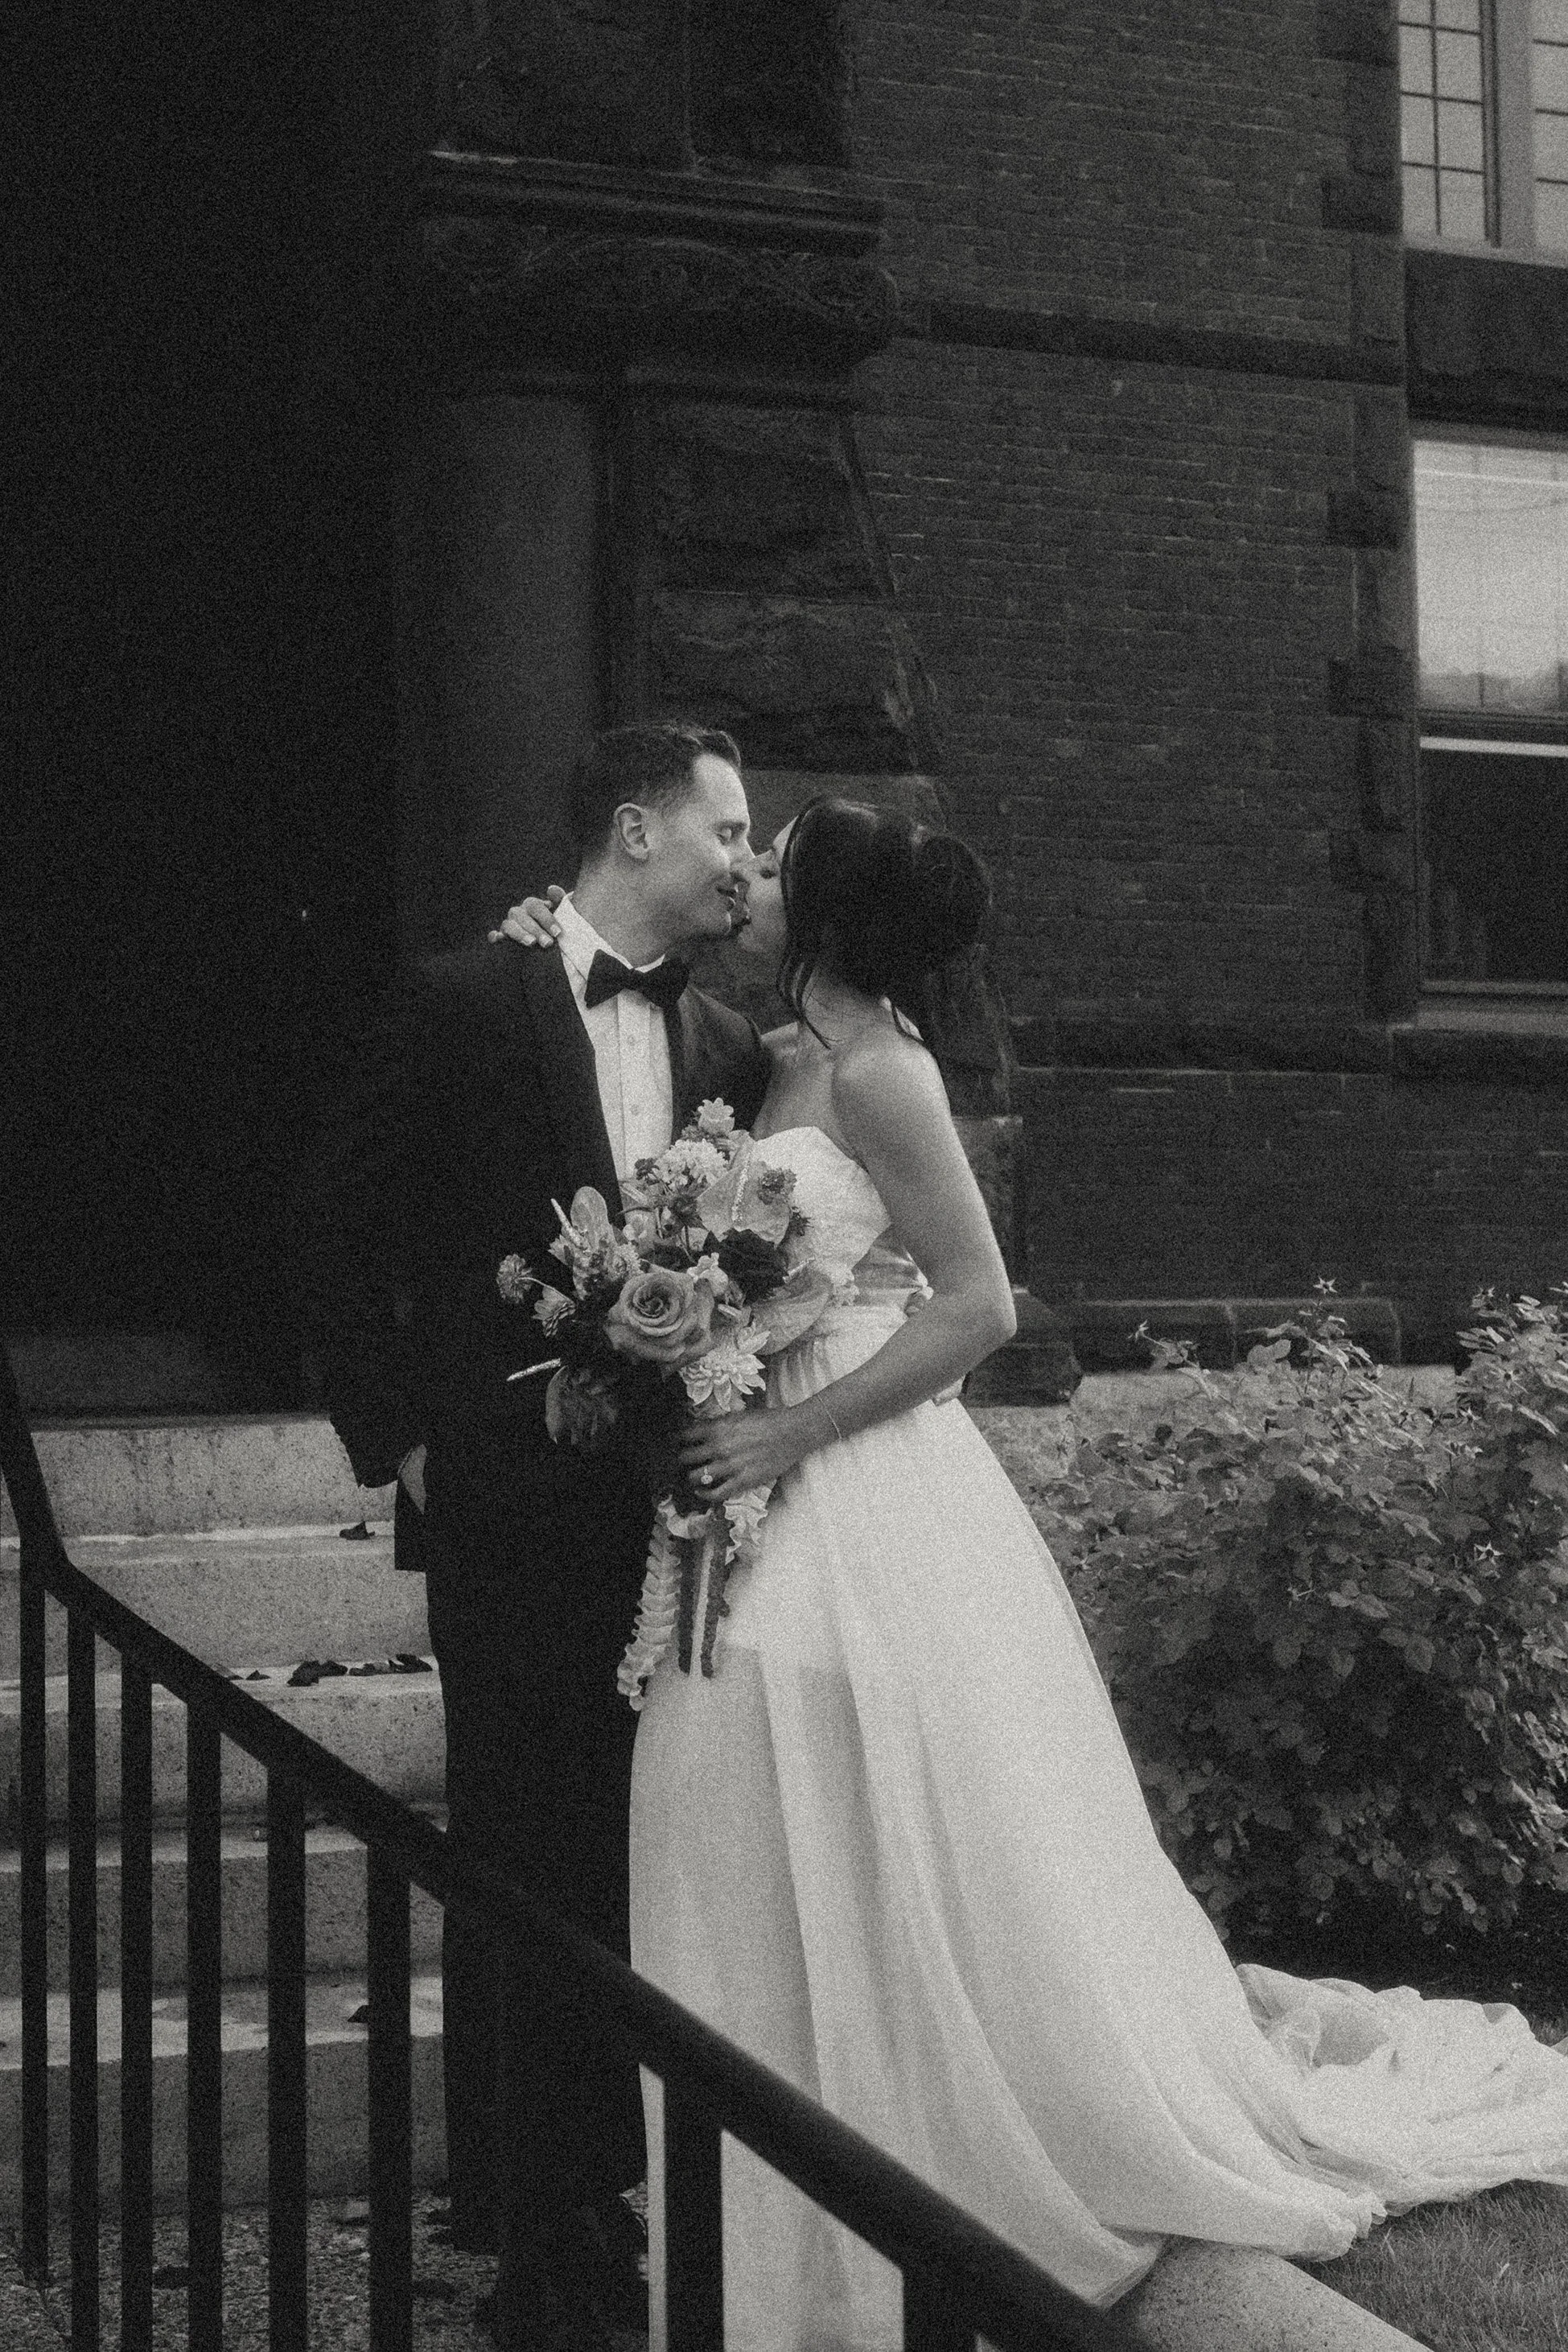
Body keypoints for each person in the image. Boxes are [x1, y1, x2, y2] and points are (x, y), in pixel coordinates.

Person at [499, 793, 1568, 2352]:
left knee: (873, 1787)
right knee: (731, 1777)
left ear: (828, 914)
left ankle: (923, 2126)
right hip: (740, 1466)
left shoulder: (882, 1072)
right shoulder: (765, 1058)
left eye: (775, 862)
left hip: (859, 1473)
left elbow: (977, 1303)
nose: (753, 876)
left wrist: (787, 1424)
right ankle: (762, 2155)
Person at [310, 719, 772, 2350]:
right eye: (724, 830)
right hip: (507, 1522)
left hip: (677, 1534)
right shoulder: (460, 1006)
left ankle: (625, 2183)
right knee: (518, 1849)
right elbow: (333, 1227)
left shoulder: (724, 1043)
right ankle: (528, 2221)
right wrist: (413, 1447)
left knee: (650, 1860)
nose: (744, 860)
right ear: (635, 831)